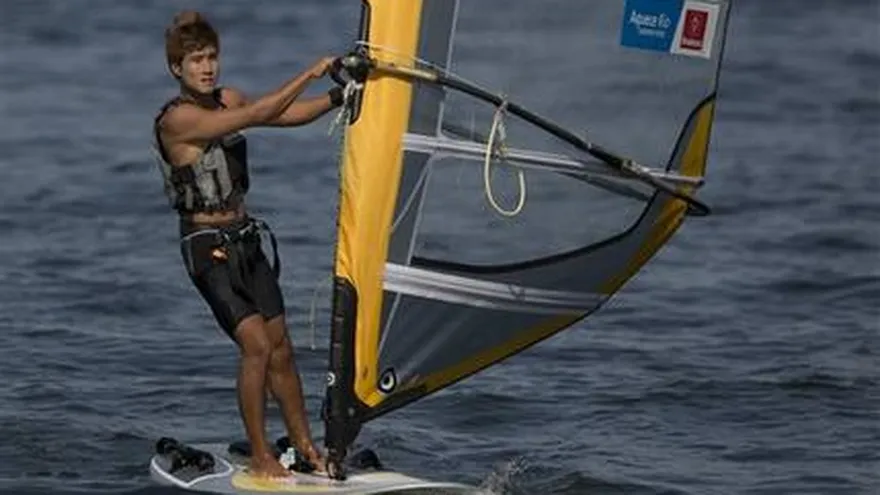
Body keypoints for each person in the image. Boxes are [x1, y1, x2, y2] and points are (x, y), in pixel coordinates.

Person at [152, 11, 345, 479]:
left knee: (281, 346)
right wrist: (312, 70)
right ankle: (261, 455)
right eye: (196, 60)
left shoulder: (228, 100)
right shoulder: (179, 119)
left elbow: (282, 114)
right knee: (256, 346)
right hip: (206, 248)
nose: (207, 67)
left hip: (246, 240)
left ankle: (305, 449)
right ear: (177, 68)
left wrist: (342, 95)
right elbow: (260, 113)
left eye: (212, 57)